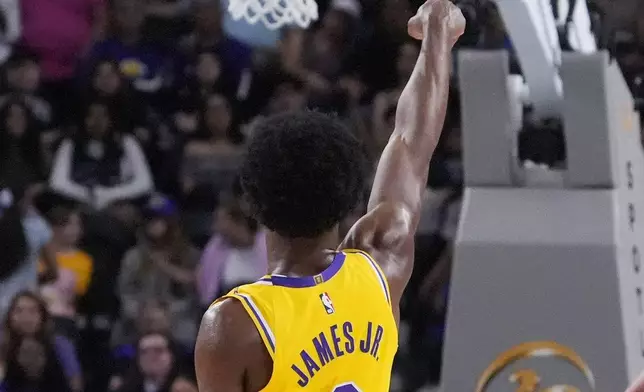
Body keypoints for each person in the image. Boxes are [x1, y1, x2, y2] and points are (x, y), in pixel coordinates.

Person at [194, 1, 465, 392]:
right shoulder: (379, 266)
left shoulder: (237, 323)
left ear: (253, 202)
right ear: (347, 195)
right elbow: (410, 144)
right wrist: (437, 37)